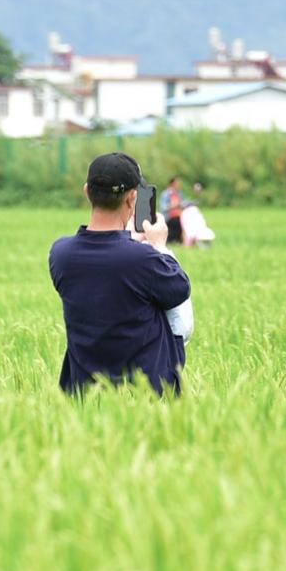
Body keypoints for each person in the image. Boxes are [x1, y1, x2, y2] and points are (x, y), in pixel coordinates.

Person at [49, 153, 192, 396]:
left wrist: (128, 242)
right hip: (146, 392)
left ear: (86, 191)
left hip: (82, 392)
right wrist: (159, 246)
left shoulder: (60, 253)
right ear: (132, 198)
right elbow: (179, 289)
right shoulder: (143, 259)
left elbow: (108, 267)